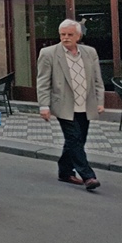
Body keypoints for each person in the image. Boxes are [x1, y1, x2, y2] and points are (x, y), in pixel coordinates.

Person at [36, 19, 105, 190]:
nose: (65, 38)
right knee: (74, 138)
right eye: (62, 34)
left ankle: (65, 171)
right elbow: (43, 82)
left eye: (69, 35)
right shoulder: (48, 53)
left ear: (78, 36)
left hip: (85, 103)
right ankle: (88, 176)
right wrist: (44, 106)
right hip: (64, 104)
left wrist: (100, 101)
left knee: (78, 139)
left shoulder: (90, 52)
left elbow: (97, 80)